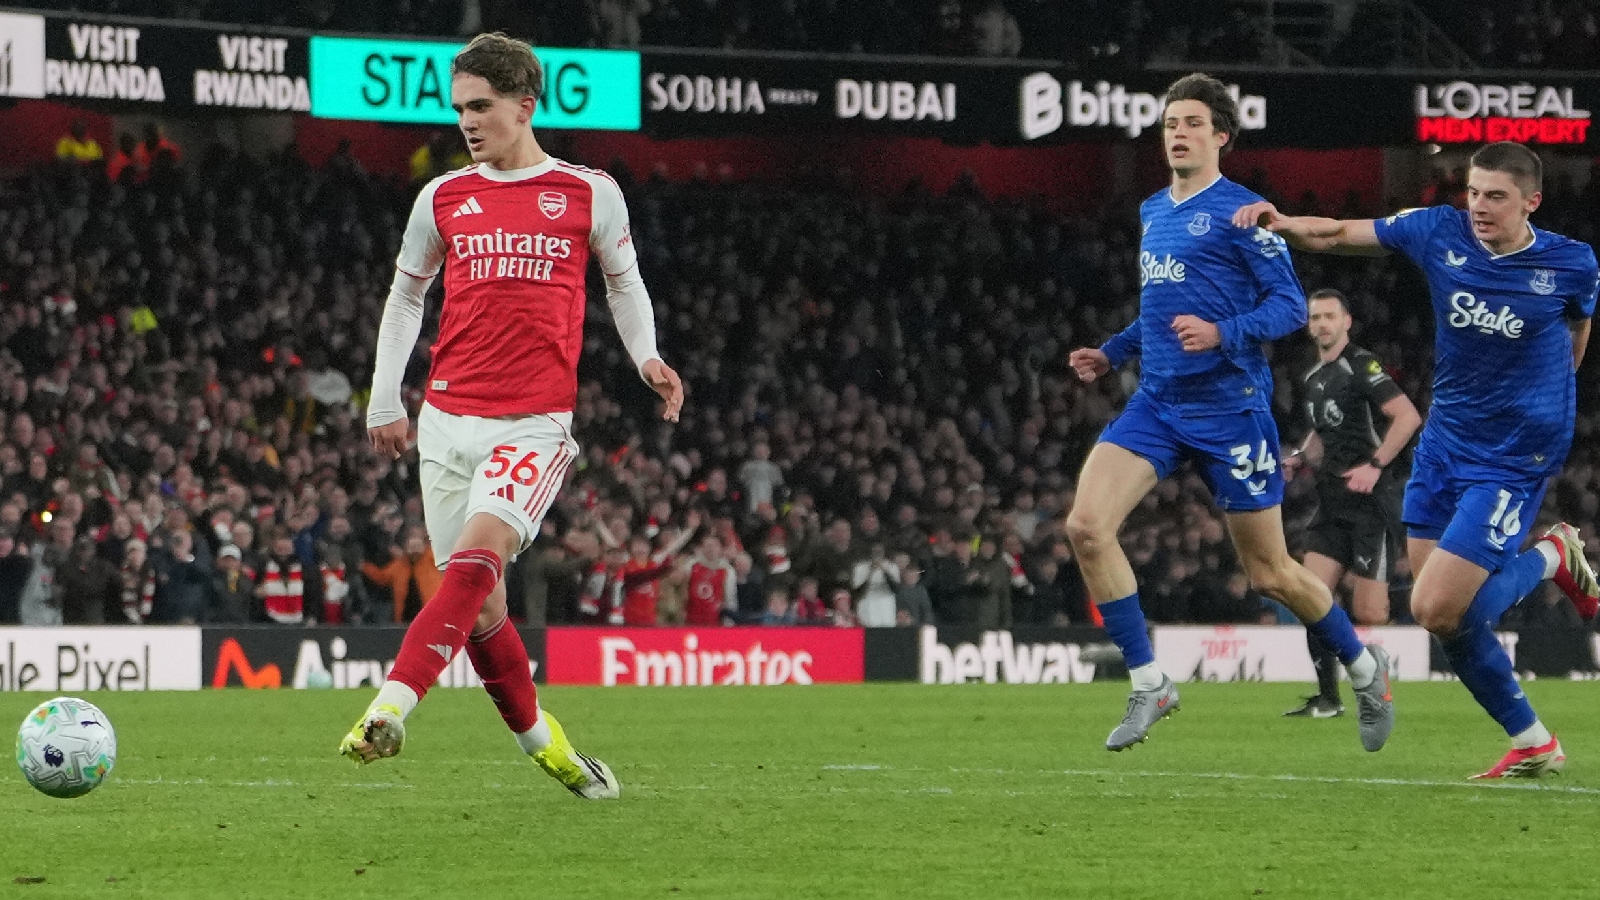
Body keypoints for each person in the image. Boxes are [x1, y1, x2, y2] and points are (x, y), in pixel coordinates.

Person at [339, 32, 684, 803]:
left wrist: (647, 358)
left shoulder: (590, 192)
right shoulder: (442, 197)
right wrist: (385, 397)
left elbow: (624, 285)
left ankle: (391, 706)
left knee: (476, 563)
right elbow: (405, 297)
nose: (466, 121)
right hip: (445, 420)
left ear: (525, 105)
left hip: (533, 424)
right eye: (459, 107)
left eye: (481, 106)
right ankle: (546, 745)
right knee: (483, 603)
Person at [1232, 141, 1600, 779]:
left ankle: (1551, 554)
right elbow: (1344, 232)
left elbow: (1576, 332)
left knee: (1436, 607)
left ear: (1531, 202)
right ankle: (1534, 741)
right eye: (1474, 192)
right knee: (1447, 621)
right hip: (1446, 440)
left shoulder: (1571, 263)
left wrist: (1543, 397)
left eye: (1496, 197)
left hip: (1514, 454)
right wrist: (1286, 224)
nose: (1479, 206)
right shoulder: (1440, 231)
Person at [1065, 72, 1394, 754]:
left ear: (1221, 136)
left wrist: (1223, 334)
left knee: (1271, 572)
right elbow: (1158, 310)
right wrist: (1112, 350)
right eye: (1168, 124)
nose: (1176, 133)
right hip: (1157, 402)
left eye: (1190, 123)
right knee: (1087, 527)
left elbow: (1290, 308)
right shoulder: (1155, 209)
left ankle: (1364, 668)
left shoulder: (1247, 213)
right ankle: (1150, 681)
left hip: (1230, 409)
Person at [1280, 289, 1422, 718]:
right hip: (1331, 503)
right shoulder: (1312, 377)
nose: (1321, 323)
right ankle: (1327, 700)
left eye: (1329, 316)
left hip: (1369, 504)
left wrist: (1375, 465)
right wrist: (1301, 458)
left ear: (1347, 322)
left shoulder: (1362, 365)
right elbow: (1322, 431)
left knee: (1370, 612)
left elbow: (1408, 416)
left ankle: (1429, 603)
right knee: (1310, 598)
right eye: (1315, 317)